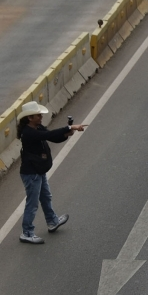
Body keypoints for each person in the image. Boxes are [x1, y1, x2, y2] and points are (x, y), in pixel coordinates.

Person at [16, 101, 87, 244]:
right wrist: (69, 127)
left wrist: (67, 133)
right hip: (32, 173)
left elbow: (51, 136)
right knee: (33, 203)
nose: (41, 116)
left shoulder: (36, 127)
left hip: (38, 171)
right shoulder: (28, 132)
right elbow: (48, 135)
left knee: (46, 196)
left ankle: (52, 221)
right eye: (38, 115)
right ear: (30, 117)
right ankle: (27, 232)